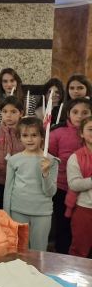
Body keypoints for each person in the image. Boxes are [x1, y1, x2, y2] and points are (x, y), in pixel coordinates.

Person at [4, 117, 57, 251]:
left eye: (34, 135)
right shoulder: (14, 160)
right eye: (25, 135)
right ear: (19, 138)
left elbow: (50, 192)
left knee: (39, 251)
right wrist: (6, 214)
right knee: (20, 250)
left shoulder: (51, 161)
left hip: (42, 212)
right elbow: (8, 189)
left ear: (42, 137)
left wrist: (45, 174)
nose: (30, 139)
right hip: (18, 210)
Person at [47, 97, 92, 254]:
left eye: (85, 112)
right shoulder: (58, 133)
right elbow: (51, 158)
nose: (79, 116)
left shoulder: (89, 132)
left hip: (85, 195)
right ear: (68, 114)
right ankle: (63, 256)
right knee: (64, 227)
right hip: (62, 187)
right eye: (75, 112)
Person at [66, 117, 92, 257]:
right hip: (85, 209)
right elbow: (74, 184)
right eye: (90, 129)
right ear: (81, 133)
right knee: (80, 249)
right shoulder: (75, 157)